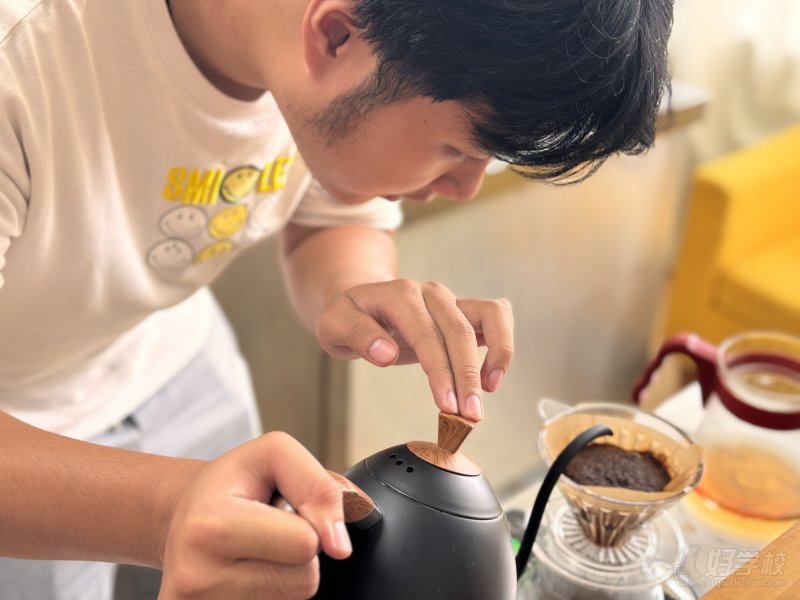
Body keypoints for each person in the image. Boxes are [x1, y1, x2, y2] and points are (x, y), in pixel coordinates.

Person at [0, 0, 673, 598]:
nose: (465, 187)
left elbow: (332, 210)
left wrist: (349, 288)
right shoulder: (22, 62)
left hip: (175, 359)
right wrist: (168, 509)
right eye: (457, 149)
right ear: (335, 37)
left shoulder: (322, 46)